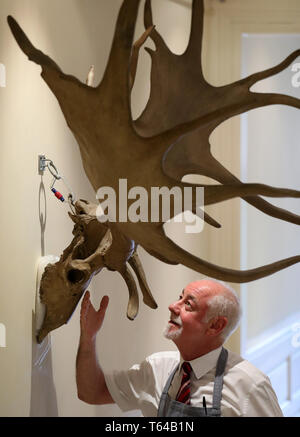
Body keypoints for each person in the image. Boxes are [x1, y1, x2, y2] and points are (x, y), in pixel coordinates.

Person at [76, 279, 283, 417]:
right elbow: (91, 392)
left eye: (188, 304)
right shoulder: (157, 368)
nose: (173, 306)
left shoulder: (250, 384)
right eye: (180, 297)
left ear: (215, 326)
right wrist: (88, 338)